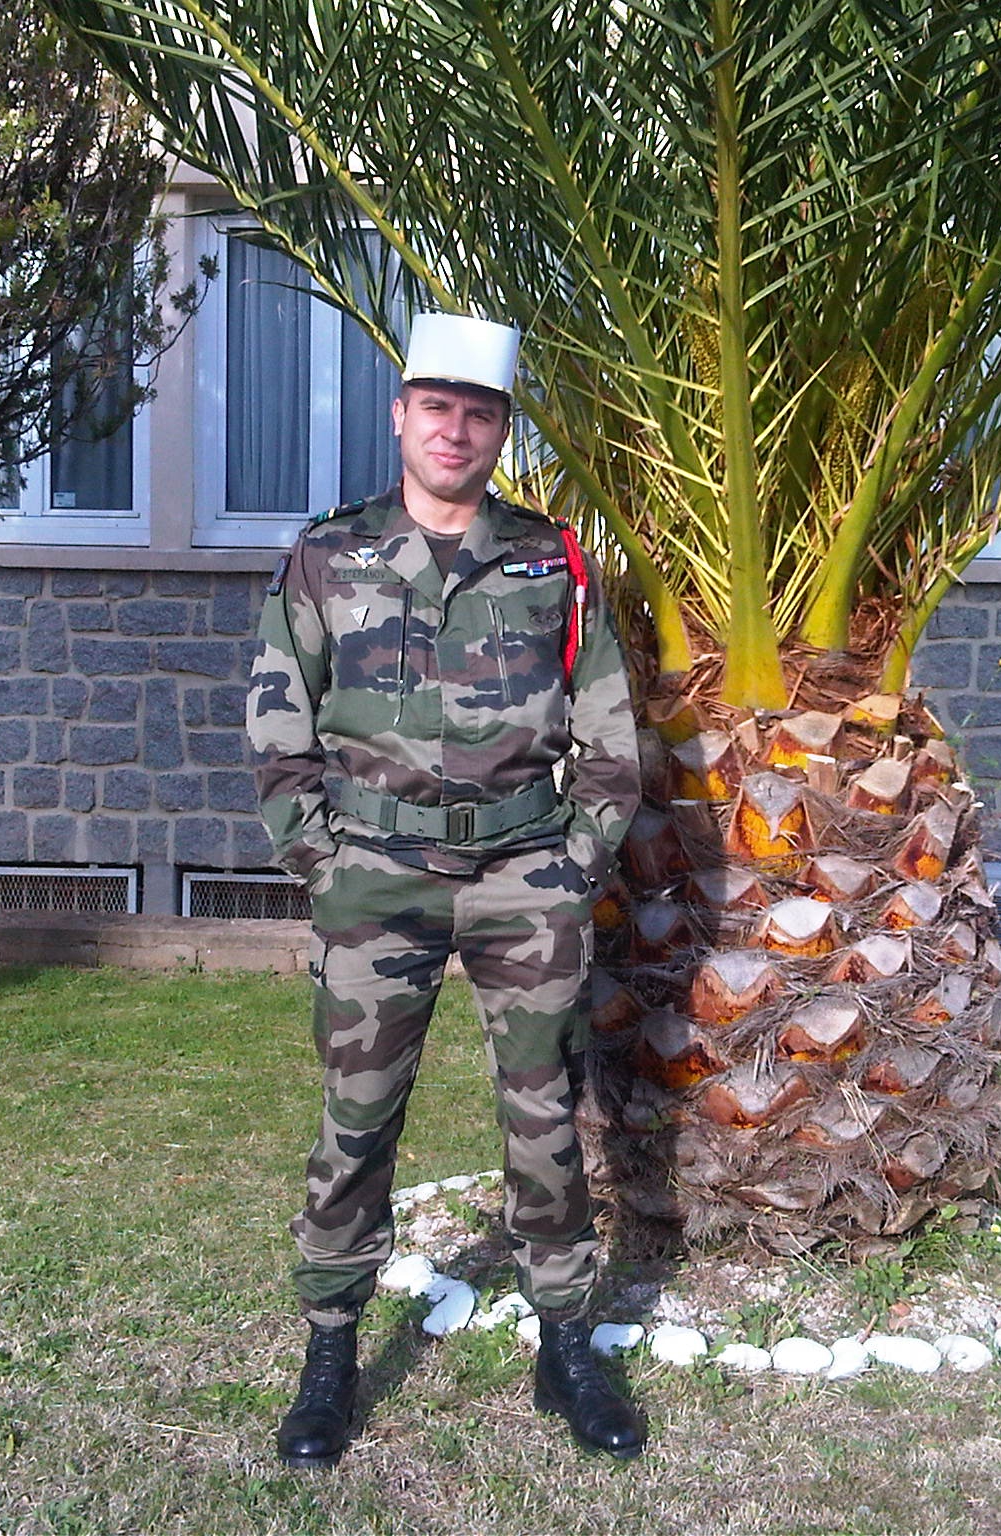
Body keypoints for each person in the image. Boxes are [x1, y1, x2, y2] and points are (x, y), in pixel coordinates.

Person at [246, 311, 644, 1467]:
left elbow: (608, 730)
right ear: (400, 416)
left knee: (544, 1113)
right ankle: (330, 1350)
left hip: (524, 873)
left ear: (500, 429)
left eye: (477, 414)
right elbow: (275, 719)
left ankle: (563, 1344)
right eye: (436, 408)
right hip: (375, 874)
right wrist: (319, 860)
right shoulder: (329, 554)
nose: (454, 431)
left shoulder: (550, 559)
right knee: (358, 1112)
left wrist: (575, 864)